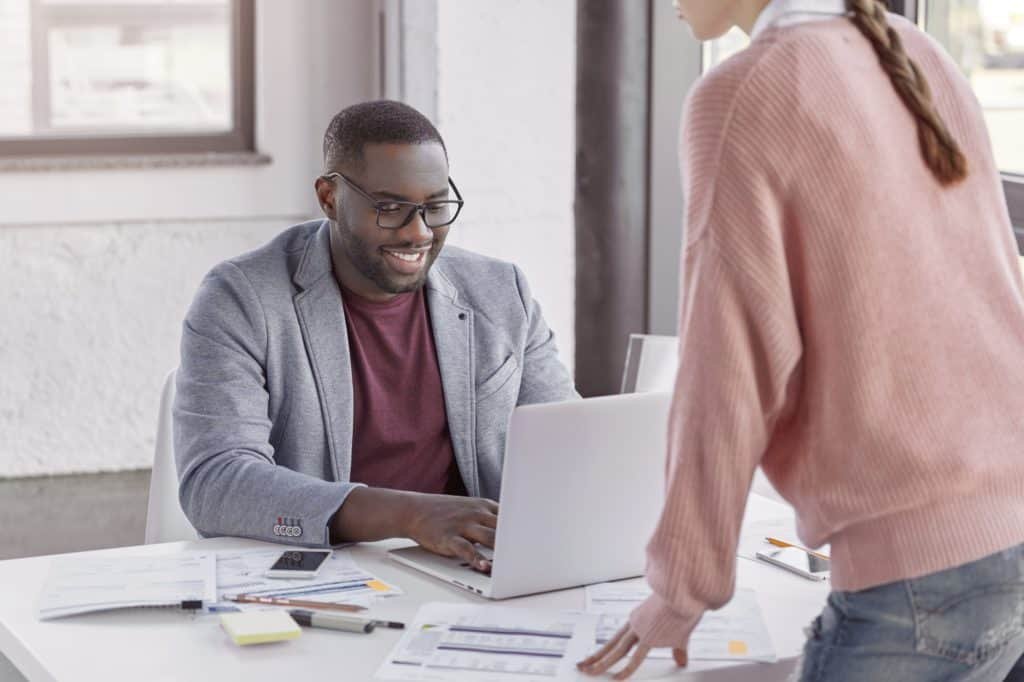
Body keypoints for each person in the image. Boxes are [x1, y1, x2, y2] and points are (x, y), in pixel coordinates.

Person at [579, 0, 1024, 679]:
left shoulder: (739, 95)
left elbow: (727, 370)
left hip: (918, 571)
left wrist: (681, 586)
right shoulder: (912, 49)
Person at [174, 100, 576, 572]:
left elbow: (568, 447)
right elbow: (215, 487)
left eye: (435, 207)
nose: (418, 233)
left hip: (471, 569)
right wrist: (409, 515)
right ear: (329, 198)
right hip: (324, 569)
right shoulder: (242, 298)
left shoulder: (502, 292)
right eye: (390, 208)